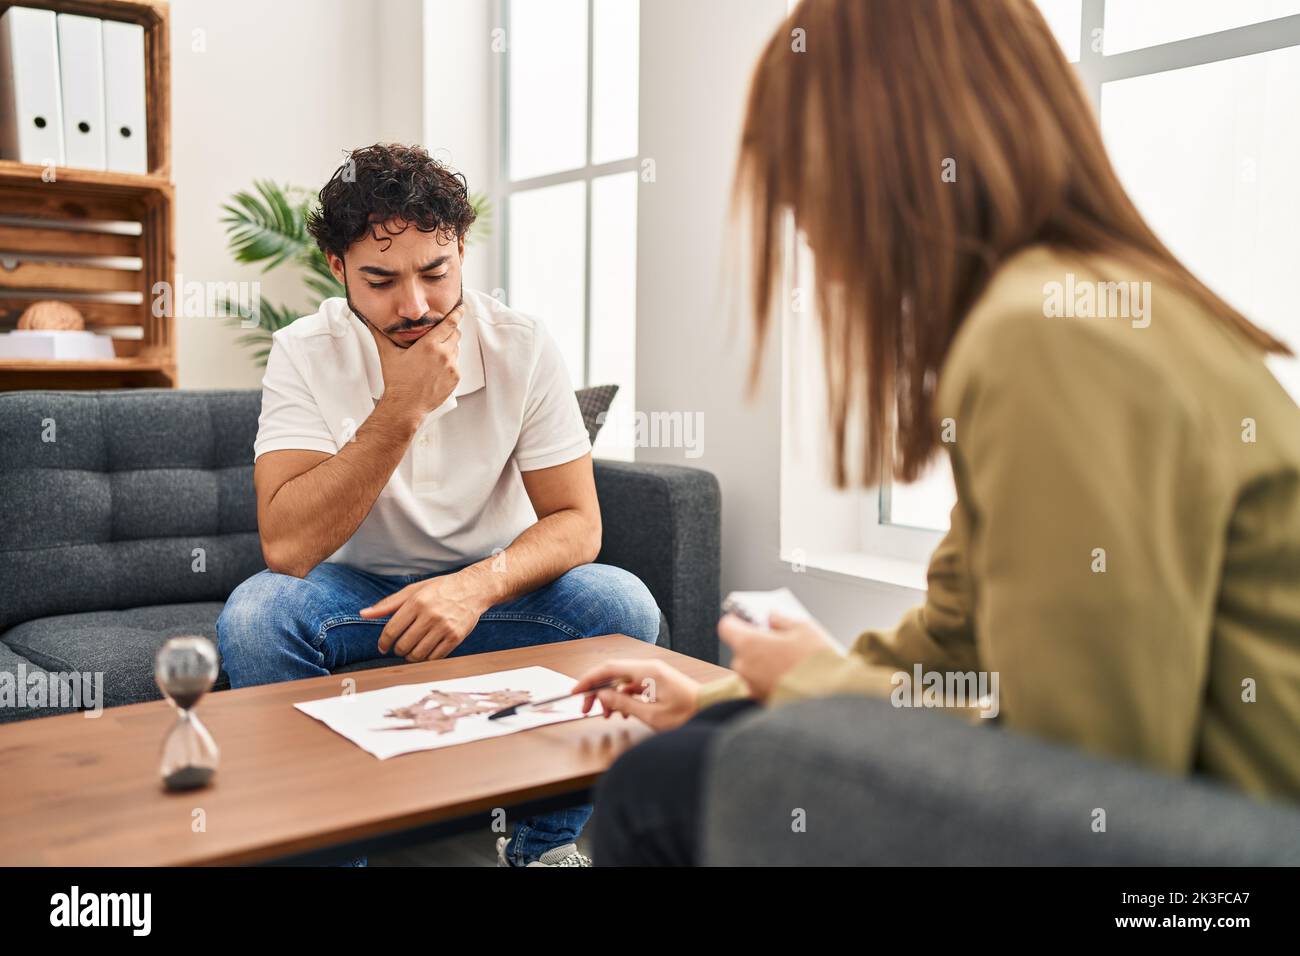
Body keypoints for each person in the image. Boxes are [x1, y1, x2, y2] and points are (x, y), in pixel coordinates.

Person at [573, 0, 1300, 866]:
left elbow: (1081, 768)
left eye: (800, 163)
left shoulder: (1051, 334)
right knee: (713, 736)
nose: (795, 212)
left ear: (886, 143)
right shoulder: (1063, 307)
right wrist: (725, 689)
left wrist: (810, 682)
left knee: (666, 790)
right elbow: (957, 645)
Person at [217, 144, 661, 867]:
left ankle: (545, 851)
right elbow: (288, 548)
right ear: (337, 269)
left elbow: (579, 522)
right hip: (354, 602)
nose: (416, 305)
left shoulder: (522, 345)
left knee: (624, 606)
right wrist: (400, 411)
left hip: (495, 595)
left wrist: (474, 586)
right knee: (257, 615)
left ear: (462, 251)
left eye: (435, 272)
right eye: (381, 280)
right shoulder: (304, 352)